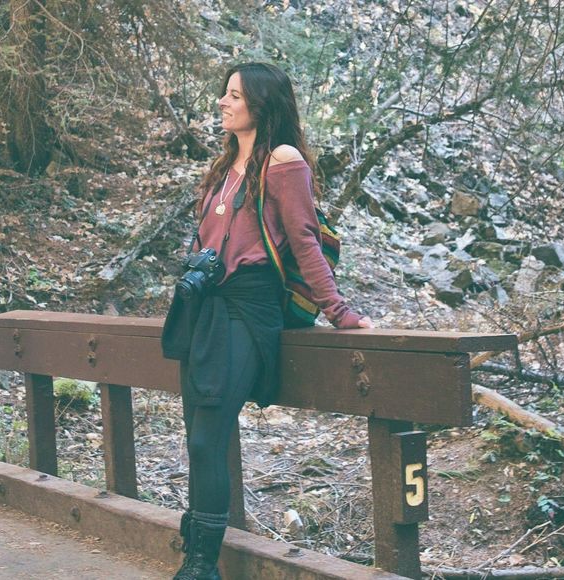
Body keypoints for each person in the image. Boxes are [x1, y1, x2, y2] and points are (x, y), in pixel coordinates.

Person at [172, 62, 373, 580]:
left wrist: (339, 312)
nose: (223, 102)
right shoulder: (224, 168)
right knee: (197, 435)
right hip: (206, 310)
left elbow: (304, 240)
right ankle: (197, 553)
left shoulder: (282, 161)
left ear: (261, 105)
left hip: (248, 307)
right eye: (224, 93)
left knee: (207, 436)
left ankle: (202, 564)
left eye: (235, 95)